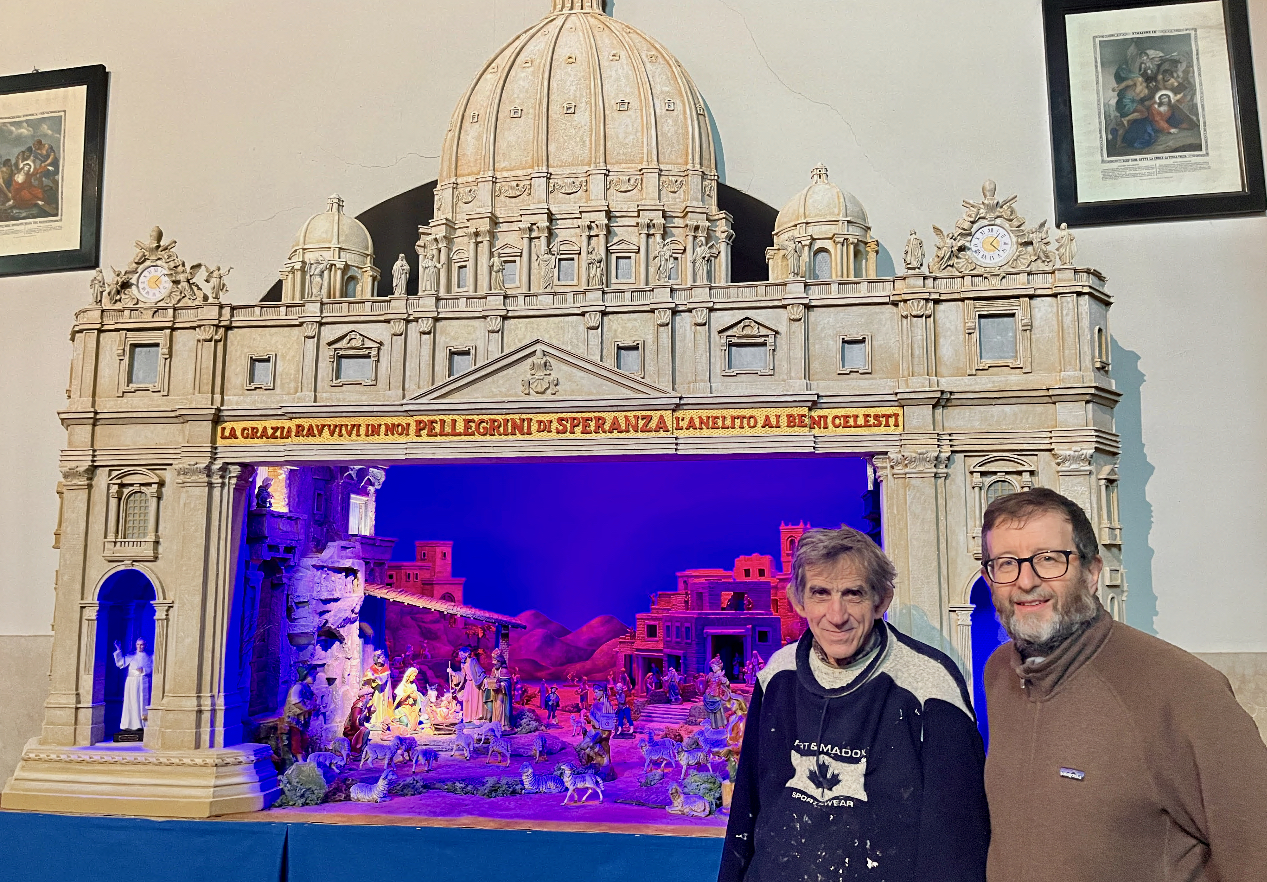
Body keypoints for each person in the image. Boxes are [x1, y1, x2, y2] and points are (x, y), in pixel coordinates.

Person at [979, 488, 1267, 882]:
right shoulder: (1000, 674)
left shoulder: (1184, 690)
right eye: (1007, 563)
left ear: (1093, 572)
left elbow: (1256, 853)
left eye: (1049, 559)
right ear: (989, 578)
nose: (1026, 581)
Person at [719, 527, 988, 882]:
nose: (836, 614)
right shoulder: (777, 674)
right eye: (820, 593)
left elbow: (957, 839)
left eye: (853, 594)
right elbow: (747, 810)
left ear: (882, 600)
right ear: (798, 601)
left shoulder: (930, 685)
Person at [112, 638, 153, 731]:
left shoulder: (151, 655)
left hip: (144, 682)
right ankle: (131, 724)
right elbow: (120, 663)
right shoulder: (131, 655)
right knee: (132, 702)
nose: (139, 646)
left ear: (145, 645)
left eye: (142, 644)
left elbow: (155, 667)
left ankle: (143, 724)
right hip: (132, 683)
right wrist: (119, 649)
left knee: (143, 703)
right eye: (138, 644)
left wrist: (144, 670)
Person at [284, 667, 318, 761]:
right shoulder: (298, 687)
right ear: (306, 675)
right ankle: (299, 759)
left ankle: (301, 755)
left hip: (304, 719)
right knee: (296, 738)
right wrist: (307, 708)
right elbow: (296, 701)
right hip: (295, 718)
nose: (315, 678)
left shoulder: (307, 688)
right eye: (313, 675)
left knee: (304, 738)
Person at [451, 645, 487, 723]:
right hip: (468, 684)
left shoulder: (473, 661)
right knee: (467, 700)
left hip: (475, 684)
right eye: (460, 655)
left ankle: (475, 717)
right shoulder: (463, 663)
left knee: (474, 701)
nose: (460, 656)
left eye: (462, 654)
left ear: (467, 654)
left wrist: (483, 679)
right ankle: (468, 718)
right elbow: (462, 675)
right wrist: (453, 673)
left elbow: (480, 671)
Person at [363, 649, 393, 729]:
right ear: (378, 658)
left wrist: (375, 678)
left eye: (383, 657)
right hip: (375, 692)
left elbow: (383, 679)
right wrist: (371, 679)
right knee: (374, 704)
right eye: (382, 657)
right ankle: (373, 720)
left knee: (381, 705)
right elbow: (366, 678)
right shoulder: (371, 669)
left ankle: (381, 720)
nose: (383, 658)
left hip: (382, 691)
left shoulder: (385, 668)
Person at [342, 686, 374, 760]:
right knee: (366, 731)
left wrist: (370, 713)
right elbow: (355, 721)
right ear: (363, 697)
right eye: (370, 696)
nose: (371, 698)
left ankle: (363, 751)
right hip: (352, 729)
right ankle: (359, 753)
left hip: (357, 727)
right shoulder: (358, 705)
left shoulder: (364, 705)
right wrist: (365, 713)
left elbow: (364, 720)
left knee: (366, 730)